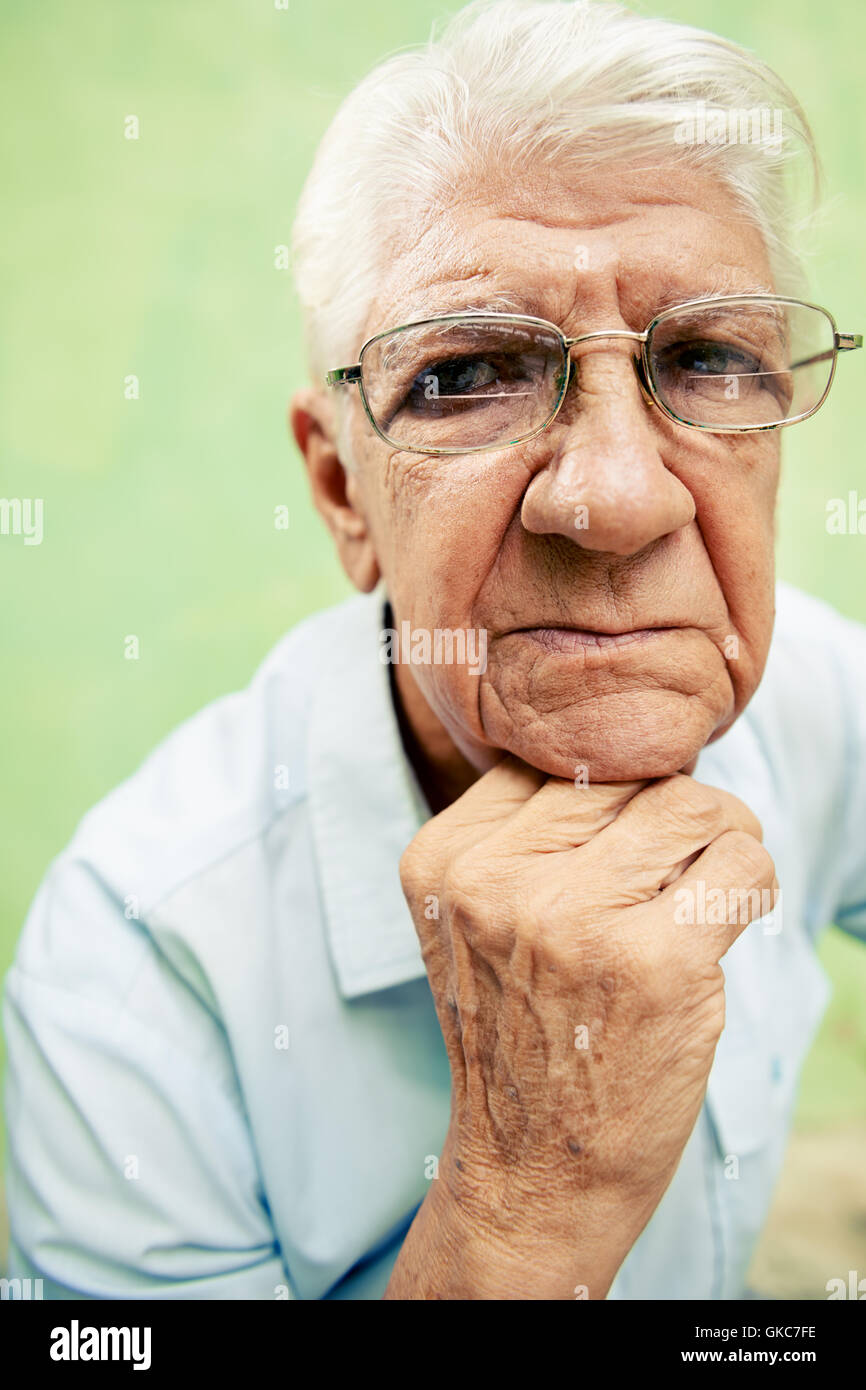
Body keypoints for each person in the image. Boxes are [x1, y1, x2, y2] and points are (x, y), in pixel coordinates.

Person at [4, 0, 864, 1300]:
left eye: (704, 356)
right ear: (342, 491)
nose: (616, 495)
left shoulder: (806, 684)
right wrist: (522, 1209)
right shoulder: (138, 964)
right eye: (467, 376)